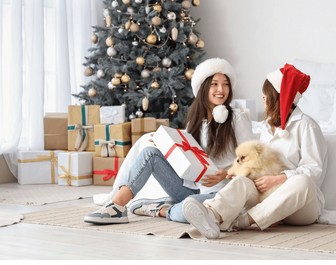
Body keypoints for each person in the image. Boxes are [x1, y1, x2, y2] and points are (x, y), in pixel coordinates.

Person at [84, 57, 253, 224]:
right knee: (150, 153)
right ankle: (116, 206)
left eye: (225, 84)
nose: (221, 89)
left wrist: (226, 173)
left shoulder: (238, 118)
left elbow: (250, 160)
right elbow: (185, 151)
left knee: (187, 209)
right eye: (214, 84)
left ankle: (160, 209)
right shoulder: (195, 120)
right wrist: (162, 142)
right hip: (192, 188)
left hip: (220, 193)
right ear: (203, 87)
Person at [182, 63, 328, 239]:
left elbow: (315, 171)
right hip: (267, 197)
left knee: (303, 181)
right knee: (241, 182)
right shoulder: (266, 128)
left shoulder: (307, 126)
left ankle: (244, 221)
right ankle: (213, 216)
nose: (263, 101)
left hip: (300, 207)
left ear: (276, 98)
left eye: (265, 97)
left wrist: (278, 179)